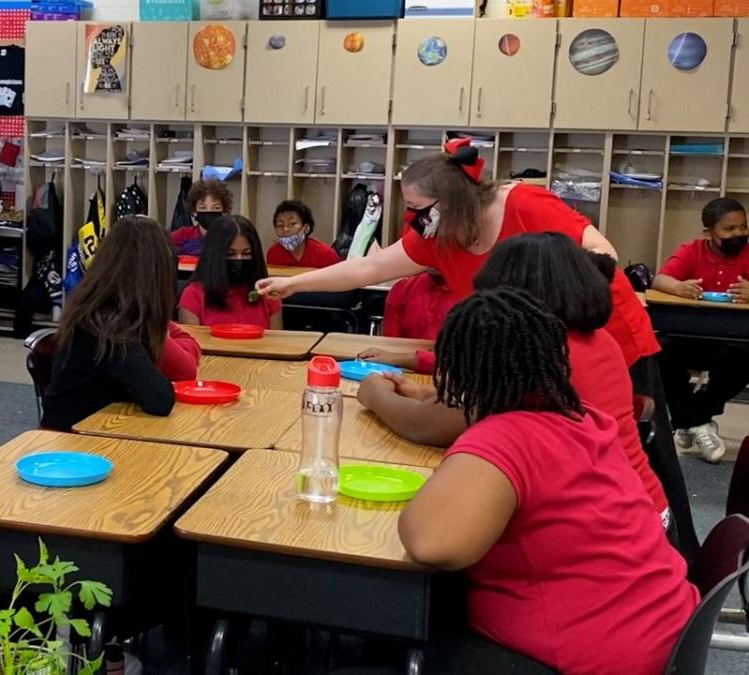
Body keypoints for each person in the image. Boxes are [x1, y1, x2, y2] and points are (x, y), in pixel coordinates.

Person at [256, 138, 699, 558]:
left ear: (449, 202)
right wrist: (294, 284)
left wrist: (554, 324)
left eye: (416, 209)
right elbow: (369, 266)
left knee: (637, 458)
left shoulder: (521, 206)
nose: (410, 219)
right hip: (538, 352)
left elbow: (599, 253)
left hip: (597, 340)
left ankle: (679, 558)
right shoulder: (441, 236)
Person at [397, 288, 696, 675]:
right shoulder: (583, 417)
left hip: (594, 658)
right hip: (664, 635)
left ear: (461, 373)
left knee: (408, 635)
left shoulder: (505, 436)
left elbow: (431, 544)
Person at [359, 234, 670, 525]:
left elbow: (424, 425)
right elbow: (472, 408)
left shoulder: (533, 350)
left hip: (603, 523)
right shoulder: (594, 339)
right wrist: (424, 394)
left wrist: (375, 394)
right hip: (643, 504)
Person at [41, 216, 199, 431]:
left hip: (86, 431)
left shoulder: (96, 310)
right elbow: (160, 399)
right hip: (75, 442)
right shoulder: (109, 330)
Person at [652, 197, 749, 463]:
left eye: (743, 227)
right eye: (729, 230)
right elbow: (660, 279)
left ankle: (690, 419)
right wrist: (678, 288)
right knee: (661, 349)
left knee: (745, 357)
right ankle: (697, 422)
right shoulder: (692, 250)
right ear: (709, 233)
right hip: (692, 337)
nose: (738, 234)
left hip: (734, 341)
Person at [179, 216, 282, 329]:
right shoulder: (193, 295)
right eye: (230, 254)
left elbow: (276, 342)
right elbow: (189, 344)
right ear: (214, 256)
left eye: (247, 253)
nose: (239, 259)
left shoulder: (267, 293)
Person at [356, 270, 454, 373]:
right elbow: (390, 350)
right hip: (406, 374)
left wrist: (398, 358)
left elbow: (463, 362)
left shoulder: (471, 294)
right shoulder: (402, 289)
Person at [265, 199, 342, 268]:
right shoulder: (273, 253)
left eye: (292, 223)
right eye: (280, 225)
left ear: (306, 228)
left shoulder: (326, 254)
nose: (285, 229)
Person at [171, 180, 232, 257]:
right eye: (203, 207)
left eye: (216, 208)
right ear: (194, 210)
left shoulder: (231, 238)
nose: (209, 211)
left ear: (224, 210)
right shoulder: (181, 236)